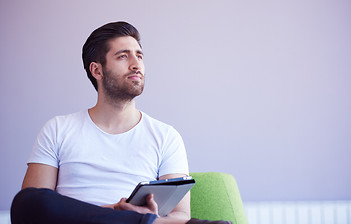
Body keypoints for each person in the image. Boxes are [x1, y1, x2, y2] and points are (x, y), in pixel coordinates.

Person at [11, 21, 231, 224]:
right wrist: (114, 213)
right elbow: (32, 209)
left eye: (139, 56)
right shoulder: (58, 129)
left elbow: (181, 217)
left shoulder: (166, 136)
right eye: (123, 57)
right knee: (27, 200)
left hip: (143, 222)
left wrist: (144, 216)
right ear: (97, 70)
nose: (136, 65)